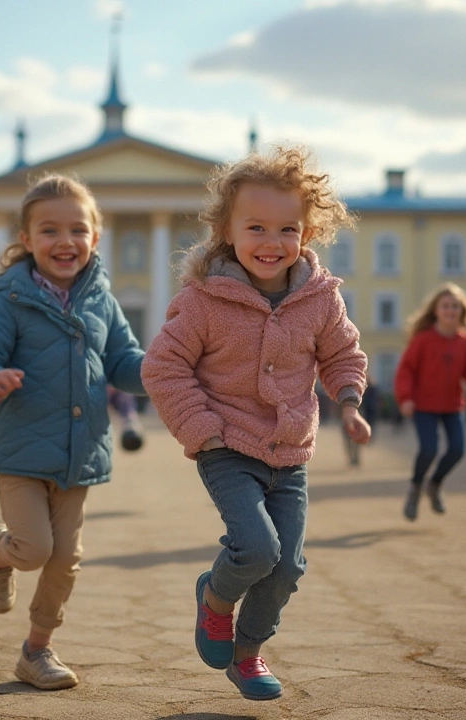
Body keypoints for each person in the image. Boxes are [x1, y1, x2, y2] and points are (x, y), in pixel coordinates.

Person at [143, 146, 370, 702]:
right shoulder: (203, 301)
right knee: (257, 548)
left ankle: (248, 654)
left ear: (308, 232)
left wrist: (349, 400)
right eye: (256, 227)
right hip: (226, 446)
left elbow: (342, 352)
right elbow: (163, 366)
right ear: (226, 230)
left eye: (288, 228)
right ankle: (215, 601)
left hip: (290, 452)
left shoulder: (320, 299)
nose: (272, 243)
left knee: (287, 566)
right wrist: (202, 431)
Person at [0, 174, 145, 692]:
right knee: (34, 548)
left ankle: (36, 651)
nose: (65, 241)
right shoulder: (10, 301)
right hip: (18, 449)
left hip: (80, 454)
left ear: (96, 239)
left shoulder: (102, 301)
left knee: (66, 560)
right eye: (49, 230)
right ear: (26, 237)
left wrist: (156, 372)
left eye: (78, 230)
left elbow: (123, 359)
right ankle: (0, 550)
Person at [394, 283, 466, 522]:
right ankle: (415, 489)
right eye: (445, 306)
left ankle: (434, 485)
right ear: (436, 310)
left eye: (455, 306)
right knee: (429, 449)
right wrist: (405, 398)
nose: (450, 311)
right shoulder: (423, 340)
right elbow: (406, 371)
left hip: (453, 406)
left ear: (462, 311)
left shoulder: (464, 341)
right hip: (423, 406)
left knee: (458, 450)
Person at [344, 375, 380, 468]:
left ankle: (355, 458)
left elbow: (372, 404)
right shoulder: (346, 384)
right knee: (348, 438)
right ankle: (352, 457)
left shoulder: (369, 387)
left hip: (359, 414)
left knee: (355, 438)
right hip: (348, 414)